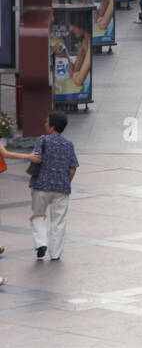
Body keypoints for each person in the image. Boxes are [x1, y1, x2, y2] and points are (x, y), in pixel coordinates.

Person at [0, 112, 78, 261]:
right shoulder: (69, 144)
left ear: (52, 126)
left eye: (47, 121)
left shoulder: (42, 141)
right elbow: (73, 167)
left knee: (38, 216)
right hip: (61, 188)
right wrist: (66, 181)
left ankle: (41, 243)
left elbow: (35, 159)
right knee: (59, 221)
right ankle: (55, 253)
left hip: (40, 186)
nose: (45, 123)